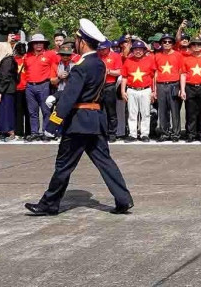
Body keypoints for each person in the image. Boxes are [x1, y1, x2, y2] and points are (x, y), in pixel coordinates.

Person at [25, 19, 133, 217]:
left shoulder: (81, 66)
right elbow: (86, 91)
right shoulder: (99, 64)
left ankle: (49, 204)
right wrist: (56, 96)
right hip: (95, 120)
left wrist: (52, 124)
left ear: (82, 42)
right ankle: (123, 199)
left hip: (78, 123)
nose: (75, 43)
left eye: (76, 39)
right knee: (105, 162)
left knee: (63, 165)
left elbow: (71, 96)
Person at [24, 34, 59, 142]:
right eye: (36, 43)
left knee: (46, 110)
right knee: (32, 112)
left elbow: (57, 65)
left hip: (44, 85)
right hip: (30, 86)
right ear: (32, 44)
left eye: (41, 42)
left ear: (44, 44)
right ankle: (34, 132)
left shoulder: (50, 54)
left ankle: (46, 132)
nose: (38, 44)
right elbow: (25, 70)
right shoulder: (27, 56)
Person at [120, 39, 156, 142]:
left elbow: (153, 76)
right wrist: (123, 91)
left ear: (144, 50)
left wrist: (154, 91)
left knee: (145, 113)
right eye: (136, 49)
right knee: (132, 113)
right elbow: (124, 77)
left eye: (140, 49)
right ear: (133, 50)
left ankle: (145, 134)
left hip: (145, 90)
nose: (138, 51)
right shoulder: (128, 61)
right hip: (132, 90)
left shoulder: (149, 60)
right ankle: (133, 134)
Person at [153, 33, 185, 142]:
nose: (167, 44)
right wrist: (154, 90)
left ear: (172, 43)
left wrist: (181, 88)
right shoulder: (157, 56)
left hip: (174, 84)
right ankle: (164, 133)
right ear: (161, 43)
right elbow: (155, 73)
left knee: (175, 110)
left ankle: (176, 133)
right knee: (162, 110)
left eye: (169, 42)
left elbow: (182, 72)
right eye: (164, 42)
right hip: (161, 84)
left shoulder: (178, 55)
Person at [0, 39, 22, 141]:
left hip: (6, 91)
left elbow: (4, 77)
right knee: (3, 111)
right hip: (7, 90)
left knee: (6, 111)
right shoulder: (7, 60)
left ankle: (10, 131)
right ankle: (4, 131)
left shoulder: (7, 60)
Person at [97, 39, 123, 142]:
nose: (102, 51)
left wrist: (108, 71)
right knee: (98, 110)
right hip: (98, 86)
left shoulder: (115, 56)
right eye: (100, 49)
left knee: (111, 111)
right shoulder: (97, 55)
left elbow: (119, 71)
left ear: (108, 48)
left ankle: (112, 133)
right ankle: (101, 132)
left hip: (109, 85)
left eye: (103, 49)